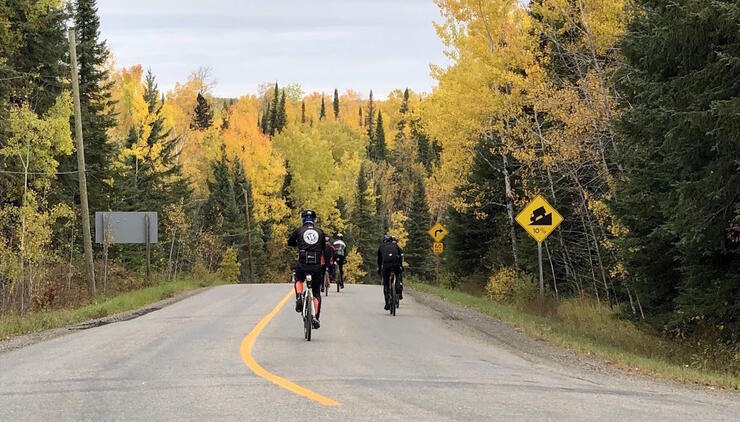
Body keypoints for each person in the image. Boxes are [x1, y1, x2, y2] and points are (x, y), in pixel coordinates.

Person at [288, 209, 326, 329]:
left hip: (303, 263)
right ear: (313, 220)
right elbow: (324, 247)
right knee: (316, 293)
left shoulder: (299, 231)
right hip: (316, 265)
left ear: (303, 219)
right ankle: (316, 317)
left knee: (299, 279)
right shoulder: (320, 232)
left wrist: (298, 244)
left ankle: (299, 297)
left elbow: (290, 242)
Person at [377, 234, 404, 310]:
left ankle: (387, 303)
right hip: (396, 265)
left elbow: (379, 260)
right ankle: (398, 286)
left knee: (386, 283)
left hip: (386, 266)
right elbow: (400, 256)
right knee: (398, 274)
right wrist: (401, 267)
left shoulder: (382, 246)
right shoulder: (396, 246)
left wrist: (379, 269)